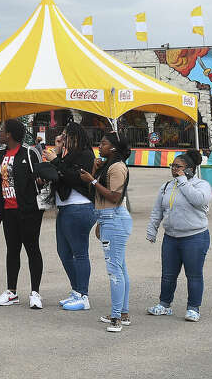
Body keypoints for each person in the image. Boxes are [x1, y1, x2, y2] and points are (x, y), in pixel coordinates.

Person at [0, 118, 56, 310]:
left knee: (32, 250)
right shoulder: (0, 155)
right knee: (12, 251)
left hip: (28, 212)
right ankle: (11, 292)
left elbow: (40, 177)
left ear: (9, 134)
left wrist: (41, 181)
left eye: (2, 130)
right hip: (8, 211)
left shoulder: (28, 153)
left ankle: (35, 292)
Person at [146, 149, 212, 322]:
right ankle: (164, 304)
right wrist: (152, 230)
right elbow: (157, 210)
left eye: (178, 167)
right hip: (171, 238)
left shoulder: (201, 185)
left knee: (194, 275)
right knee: (168, 275)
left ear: (190, 169)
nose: (174, 169)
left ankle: (193, 308)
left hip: (195, 237)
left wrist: (183, 181)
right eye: (172, 166)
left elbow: (199, 200)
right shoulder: (167, 186)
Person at [82, 131, 132, 332]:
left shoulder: (118, 167)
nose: (99, 146)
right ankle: (123, 313)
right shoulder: (108, 166)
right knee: (120, 267)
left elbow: (114, 197)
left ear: (112, 147)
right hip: (108, 218)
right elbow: (95, 196)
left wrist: (92, 180)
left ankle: (117, 317)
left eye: (102, 143)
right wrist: (94, 173)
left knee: (114, 270)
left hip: (115, 219)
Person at [49, 121, 98, 310]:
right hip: (65, 208)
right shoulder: (69, 155)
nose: (62, 138)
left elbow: (72, 176)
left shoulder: (85, 154)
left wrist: (56, 159)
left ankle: (83, 295)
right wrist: (59, 150)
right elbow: (58, 172)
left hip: (79, 208)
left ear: (75, 136)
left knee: (79, 253)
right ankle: (76, 290)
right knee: (63, 252)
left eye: (65, 135)